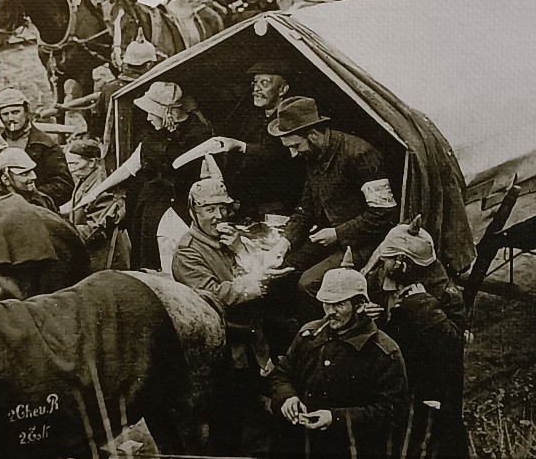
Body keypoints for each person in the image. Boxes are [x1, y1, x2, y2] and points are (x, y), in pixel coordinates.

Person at [172, 154, 291, 456]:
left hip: (250, 341)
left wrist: (239, 248)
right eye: (209, 209)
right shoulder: (187, 252)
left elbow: (256, 265)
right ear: (193, 211)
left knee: (248, 413)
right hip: (222, 348)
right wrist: (256, 284)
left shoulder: (229, 240)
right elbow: (211, 295)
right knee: (227, 424)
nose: (218, 216)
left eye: (223, 208)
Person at [267, 249, 409, 459]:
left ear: (360, 306)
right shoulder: (309, 335)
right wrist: (287, 398)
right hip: (296, 454)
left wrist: (335, 419)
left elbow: (392, 412)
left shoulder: (384, 352)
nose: (330, 312)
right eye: (326, 303)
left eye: (339, 305)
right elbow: (281, 375)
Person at [364, 216, 468, 459]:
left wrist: (421, 305)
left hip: (431, 382)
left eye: (388, 259)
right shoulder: (381, 279)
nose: (382, 263)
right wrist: (365, 315)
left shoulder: (444, 293)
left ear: (402, 263)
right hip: (395, 376)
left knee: (436, 437)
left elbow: (453, 344)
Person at [269, 96, 399, 302]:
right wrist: (285, 241)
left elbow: (384, 213)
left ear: (313, 134)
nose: (293, 154)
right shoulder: (312, 155)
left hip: (365, 241)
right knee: (284, 267)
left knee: (308, 283)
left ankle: (325, 322)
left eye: (295, 145)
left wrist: (338, 234)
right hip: (331, 238)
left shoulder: (360, 155)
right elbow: (306, 207)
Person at [129, 81, 213, 269]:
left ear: (166, 112)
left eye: (151, 112)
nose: (148, 118)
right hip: (152, 212)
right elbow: (129, 167)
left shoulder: (199, 136)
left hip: (179, 215)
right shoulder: (155, 134)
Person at [208, 60, 305, 220]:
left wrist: (241, 146)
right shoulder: (251, 118)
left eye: (264, 83)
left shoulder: (293, 119)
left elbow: (279, 155)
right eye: (255, 83)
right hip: (245, 206)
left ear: (282, 89)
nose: (256, 89)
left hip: (277, 208)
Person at [0, 88, 74, 207]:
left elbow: (64, 186)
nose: (10, 118)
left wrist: (32, 198)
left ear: (26, 112)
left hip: (37, 208)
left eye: (15, 112)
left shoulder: (46, 145)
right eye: (5, 114)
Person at [65, 139, 130, 270]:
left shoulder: (101, 186)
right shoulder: (86, 177)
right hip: (88, 249)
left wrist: (65, 233)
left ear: (92, 162)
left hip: (103, 256)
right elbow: (76, 204)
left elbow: (96, 228)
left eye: (75, 163)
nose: (71, 169)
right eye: (69, 164)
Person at [92, 30, 158, 140]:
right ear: (149, 64)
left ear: (127, 62)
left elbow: (96, 125)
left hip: (113, 147)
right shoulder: (151, 89)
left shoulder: (108, 88)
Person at [0, 147, 57, 212]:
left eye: (32, 171)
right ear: (5, 179)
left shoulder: (43, 200)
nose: (34, 176)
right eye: (25, 174)